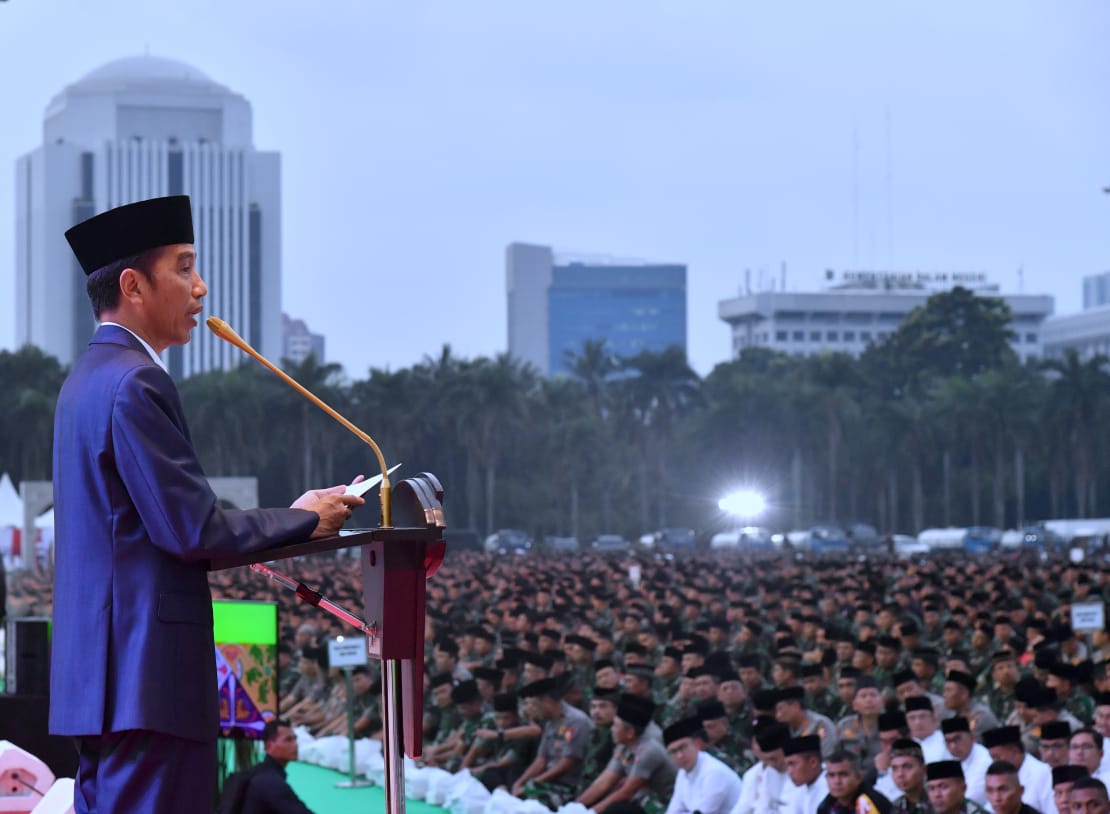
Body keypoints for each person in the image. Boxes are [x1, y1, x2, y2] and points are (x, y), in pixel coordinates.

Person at [51, 195, 362, 814]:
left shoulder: (86, 379)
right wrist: (306, 518)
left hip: (103, 679)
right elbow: (192, 528)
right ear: (134, 285)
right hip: (147, 678)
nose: (201, 287)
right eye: (185, 267)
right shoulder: (137, 382)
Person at [662, 716, 743, 814]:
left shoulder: (714, 772)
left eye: (683, 747)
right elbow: (673, 810)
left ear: (695, 744)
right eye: (673, 752)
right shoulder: (682, 772)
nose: (680, 756)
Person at [238, 719, 315, 814]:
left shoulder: (261, 773)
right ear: (269, 746)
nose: (296, 744)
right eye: (288, 740)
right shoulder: (269, 781)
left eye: (295, 739)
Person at [817, 750, 893, 813]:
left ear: (858, 778)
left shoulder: (873, 803)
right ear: (826, 778)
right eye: (831, 775)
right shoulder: (825, 806)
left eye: (843, 775)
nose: (837, 781)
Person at [784, 735, 828, 814]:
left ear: (813, 762)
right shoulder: (801, 788)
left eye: (792, 764)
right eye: (787, 765)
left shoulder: (830, 788)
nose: (789, 771)